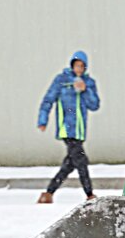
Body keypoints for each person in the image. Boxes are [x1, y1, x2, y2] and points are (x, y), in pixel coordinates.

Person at [37, 50, 101, 203]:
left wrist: (85, 90)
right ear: (72, 65)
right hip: (66, 128)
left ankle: (48, 193)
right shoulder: (62, 80)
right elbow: (48, 100)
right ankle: (90, 194)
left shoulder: (89, 82)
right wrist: (43, 120)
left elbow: (94, 105)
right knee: (81, 160)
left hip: (79, 130)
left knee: (70, 163)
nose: (79, 68)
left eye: (82, 66)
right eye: (76, 65)